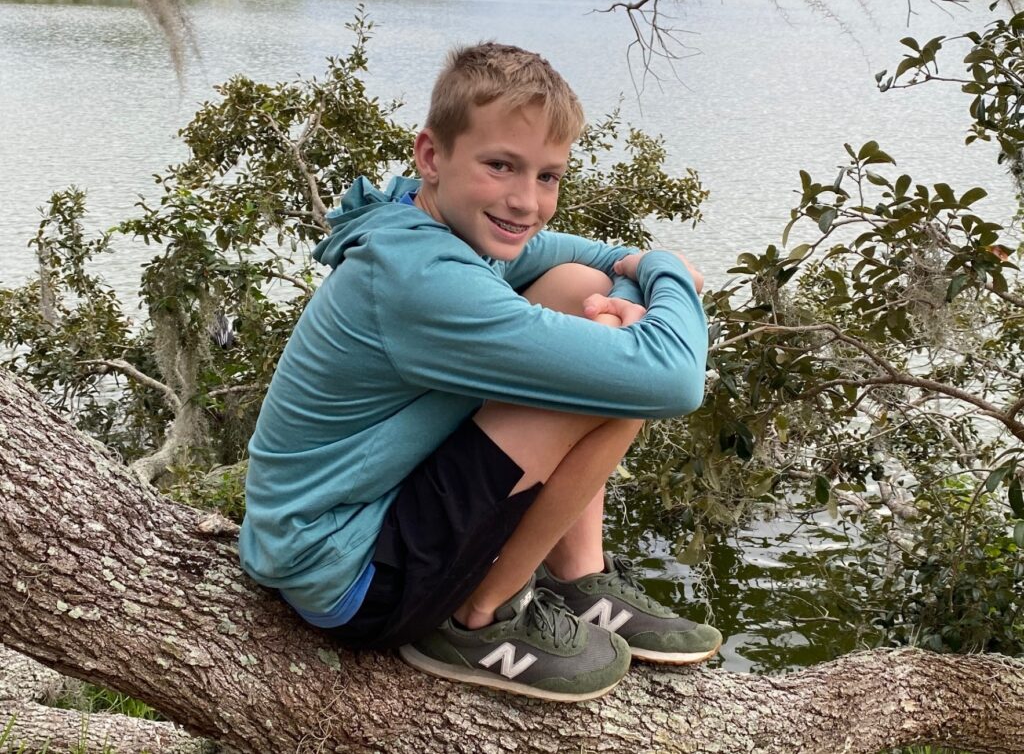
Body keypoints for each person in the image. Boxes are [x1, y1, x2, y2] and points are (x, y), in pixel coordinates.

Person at [239, 42, 721, 703]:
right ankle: (481, 615)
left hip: (341, 519)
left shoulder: (437, 222)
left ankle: (578, 575)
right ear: (432, 156)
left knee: (579, 287)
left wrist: (633, 262)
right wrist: (667, 269)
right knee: (618, 364)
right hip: (352, 579)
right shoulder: (421, 278)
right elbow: (673, 380)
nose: (526, 201)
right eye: (502, 166)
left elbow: (577, 256)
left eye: (548, 177)